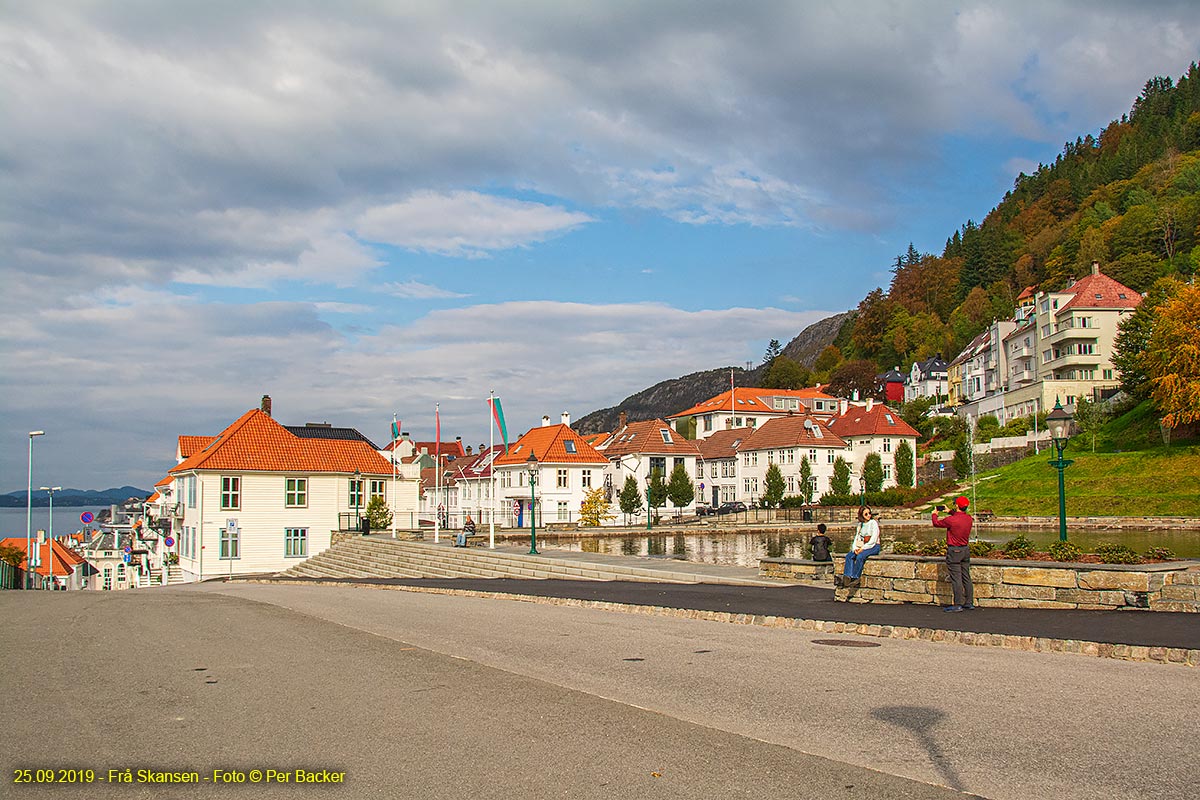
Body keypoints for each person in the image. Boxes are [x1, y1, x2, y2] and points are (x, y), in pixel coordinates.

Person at [933, 496, 975, 611]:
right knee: (966, 576)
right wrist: (950, 511)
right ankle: (969, 602)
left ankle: (957, 604)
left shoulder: (951, 520)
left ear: (957, 505)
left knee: (956, 578)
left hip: (954, 550)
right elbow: (958, 517)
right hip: (965, 550)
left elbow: (936, 523)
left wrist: (934, 514)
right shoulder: (969, 518)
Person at [836, 506, 880, 588]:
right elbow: (857, 538)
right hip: (861, 546)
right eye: (866, 514)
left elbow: (873, 540)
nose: (868, 515)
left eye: (869, 513)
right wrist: (855, 549)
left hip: (873, 546)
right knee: (849, 556)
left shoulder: (873, 523)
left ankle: (856, 577)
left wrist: (862, 549)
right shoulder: (860, 525)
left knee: (861, 556)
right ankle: (847, 577)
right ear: (861, 515)